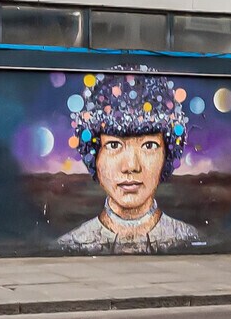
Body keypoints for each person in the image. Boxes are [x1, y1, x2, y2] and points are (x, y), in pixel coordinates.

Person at [56, 71, 202, 254]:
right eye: (114, 144)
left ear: (167, 155)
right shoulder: (72, 244)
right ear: (94, 157)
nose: (131, 166)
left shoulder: (186, 239)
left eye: (149, 145)